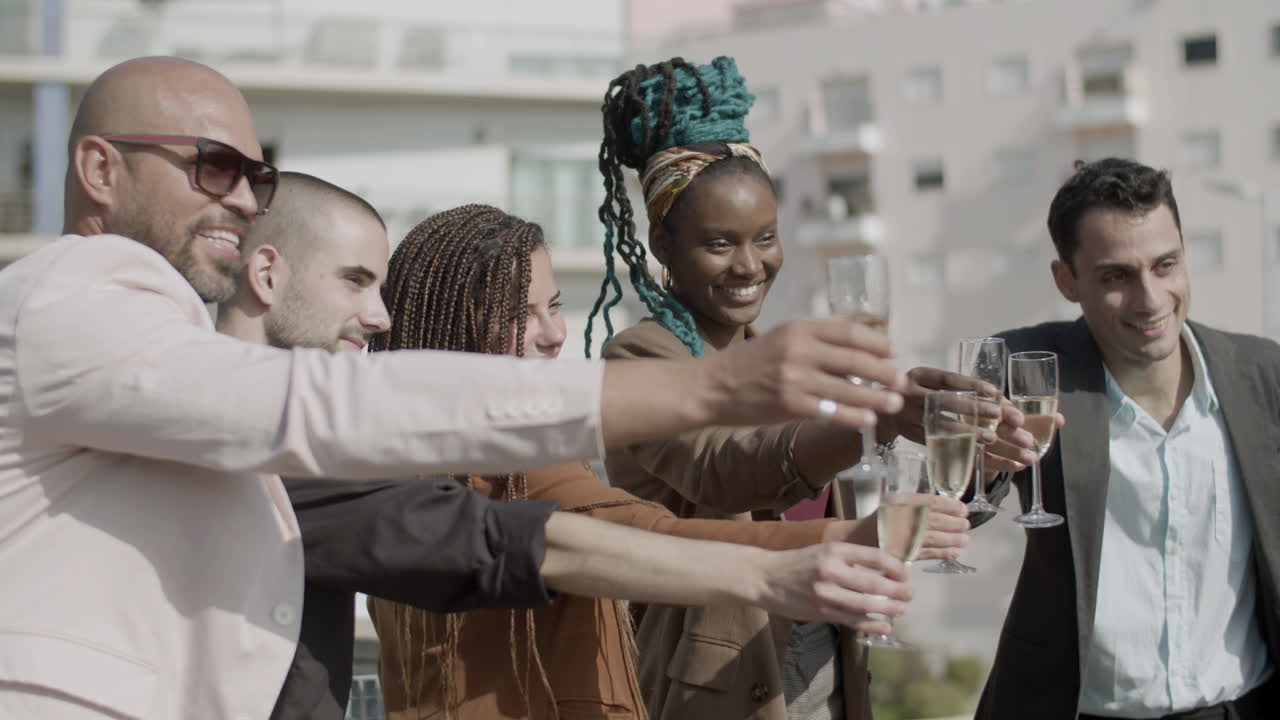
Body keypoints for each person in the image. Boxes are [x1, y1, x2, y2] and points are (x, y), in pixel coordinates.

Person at [0, 55, 913, 719]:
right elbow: (332, 419)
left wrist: (783, 569)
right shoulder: (72, 300)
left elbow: (513, 543)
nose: (241, 196)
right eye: (213, 165)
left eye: (258, 173)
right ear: (98, 169)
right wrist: (718, 395)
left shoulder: (214, 425)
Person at [214, 175, 923, 720]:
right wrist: (837, 540)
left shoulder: (374, 455)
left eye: (554, 306)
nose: (554, 334)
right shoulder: (492, 469)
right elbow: (628, 531)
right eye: (521, 315)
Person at [588, 56, 1039, 720]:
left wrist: (975, 469)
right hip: (715, 692)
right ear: (663, 241)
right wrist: (876, 415)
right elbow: (729, 471)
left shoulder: (776, 358)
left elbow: (873, 516)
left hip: (826, 678)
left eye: (765, 238)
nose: (750, 265)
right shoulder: (640, 357)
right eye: (719, 243)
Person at [975, 158, 1280, 720]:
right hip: (1078, 710)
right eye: (1117, 276)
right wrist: (983, 463)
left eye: (1166, 265)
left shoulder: (1264, 373)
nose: (1150, 298)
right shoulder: (1032, 370)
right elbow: (957, 501)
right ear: (1066, 281)